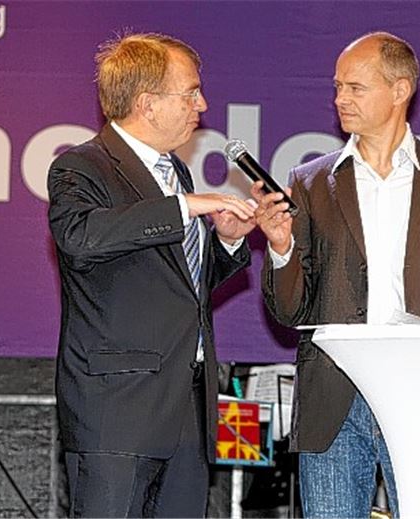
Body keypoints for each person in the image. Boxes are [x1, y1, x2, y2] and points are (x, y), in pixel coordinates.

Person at [256, 32, 420, 518]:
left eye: (356, 88)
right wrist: (280, 248)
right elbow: (288, 311)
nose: (340, 99)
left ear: (401, 90)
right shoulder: (309, 182)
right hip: (333, 398)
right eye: (337, 87)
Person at [47, 33, 265, 517]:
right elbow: (82, 237)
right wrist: (184, 207)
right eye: (190, 93)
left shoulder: (175, 174)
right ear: (147, 103)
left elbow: (181, 290)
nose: (202, 104)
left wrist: (226, 241)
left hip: (185, 407)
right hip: (118, 409)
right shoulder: (82, 166)